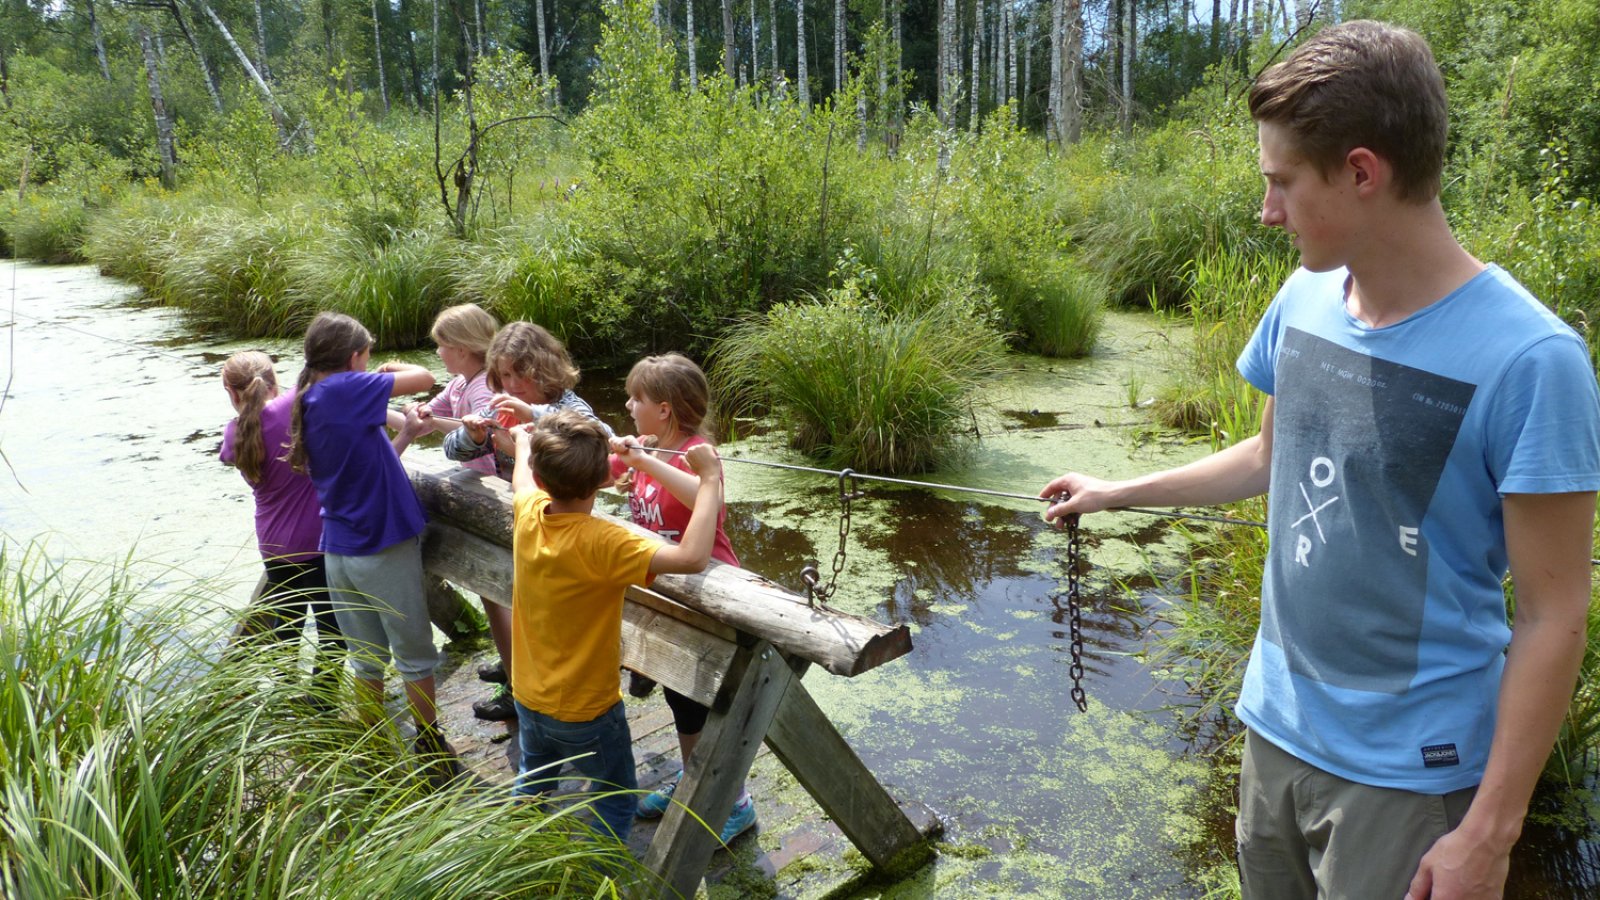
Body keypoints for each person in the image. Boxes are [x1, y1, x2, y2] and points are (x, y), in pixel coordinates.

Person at [1039, 20, 1599, 900]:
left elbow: (1554, 616)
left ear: (1363, 173)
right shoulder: (1303, 299)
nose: (1268, 211)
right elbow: (1270, 453)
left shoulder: (1532, 361)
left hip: (1411, 777)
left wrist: (1489, 833)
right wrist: (1117, 492)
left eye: (1282, 183)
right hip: (1275, 733)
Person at [507, 410, 725, 843]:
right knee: (615, 798)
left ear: (540, 473)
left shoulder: (528, 510)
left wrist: (519, 439)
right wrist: (710, 480)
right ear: (606, 480)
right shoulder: (604, 542)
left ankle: (518, 850)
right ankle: (594, 879)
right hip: (587, 709)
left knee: (535, 778)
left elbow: (521, 478)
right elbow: (693, 558)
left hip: (528, 696)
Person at [285, 312, 461, 776]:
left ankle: (374, 746)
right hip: (380, 546)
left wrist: (405, 432)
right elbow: (425, 377)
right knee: (415, 654)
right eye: (367, 355)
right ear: (354, 357)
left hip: (340, 550)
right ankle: (430, 746)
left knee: (366, 658)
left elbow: (365, 466)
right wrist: (389, 372)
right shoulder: (345, 387)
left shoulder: (314, 396)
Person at [608, 353, 756, 843]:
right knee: (680, 697)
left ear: (665, 409)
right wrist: (632, 471)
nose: (629, 405)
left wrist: (645, 462)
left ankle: (735, 802)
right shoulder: (652, 447)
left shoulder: (698, 454)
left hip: (709, 596)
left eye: (637, 398)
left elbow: (703, 501)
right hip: (666, 594)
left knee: (703, 701)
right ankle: (692, 777)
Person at [441, 320, 612, 721]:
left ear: (544, 369)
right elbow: (452, 449)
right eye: (504, 376)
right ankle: (515, 676)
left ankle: (539, 691)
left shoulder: (570, 407)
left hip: (558, 530)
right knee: (498, 591)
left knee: (547, 617)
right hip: (515, 522)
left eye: (521, 374)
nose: (512, 385)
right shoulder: (500, 403)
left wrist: (530, 421)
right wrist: (476, 436)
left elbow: (600, 437)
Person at [391, 303, 511, 720]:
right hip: (476, 496)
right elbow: (435, 415)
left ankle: (517, 679)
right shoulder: (461, 383)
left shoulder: (482, 388)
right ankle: (508, 658)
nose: (437, 352)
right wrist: (416, 415)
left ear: (461, 347)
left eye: (441, 345)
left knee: (500, 592)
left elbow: (476, 429)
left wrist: (430, 421)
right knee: (489, 590)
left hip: (499, 498)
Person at [219, 350, 345, 693]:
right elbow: (313, 386)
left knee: (286, 630)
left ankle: (287, 700)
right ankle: (323, 704)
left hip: (274, 546)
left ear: (231, 393)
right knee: (333, 631)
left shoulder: (235, 434)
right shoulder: (293, 408)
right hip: (318, 542)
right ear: (274, 381)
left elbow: (228, 453)